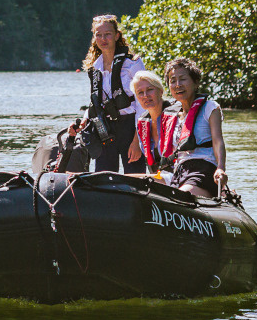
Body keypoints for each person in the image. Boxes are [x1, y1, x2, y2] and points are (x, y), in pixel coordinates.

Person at [83, 14, 147, 174]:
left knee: (135, 177)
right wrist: (83, 121)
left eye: (107, 34)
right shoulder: (94, 68)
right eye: (99, 35)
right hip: (106, 129)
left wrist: (138, 141)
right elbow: (96, 102)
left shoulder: (133, 63)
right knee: (103, 178)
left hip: (130, 126)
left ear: (117, 35)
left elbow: (143, 104)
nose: (103, 39)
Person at [161, 57, 228, 197]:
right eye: (173, 81)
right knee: (139, 182)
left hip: (203, 169)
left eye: (183, 79)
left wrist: (221, 168)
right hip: (179, 172)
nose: (178, 84)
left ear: (195, 82)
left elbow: (217, 141)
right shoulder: (171, 115)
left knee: (179, 196)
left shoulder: (209, 108)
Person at [129, 69, 170, 177]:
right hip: (158, 180)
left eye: (150, 89)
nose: (145, 95)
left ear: (161, 91)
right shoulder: (142, 123)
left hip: (179, 178)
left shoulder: (176, 115)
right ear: (137, 98)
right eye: (140, 93)